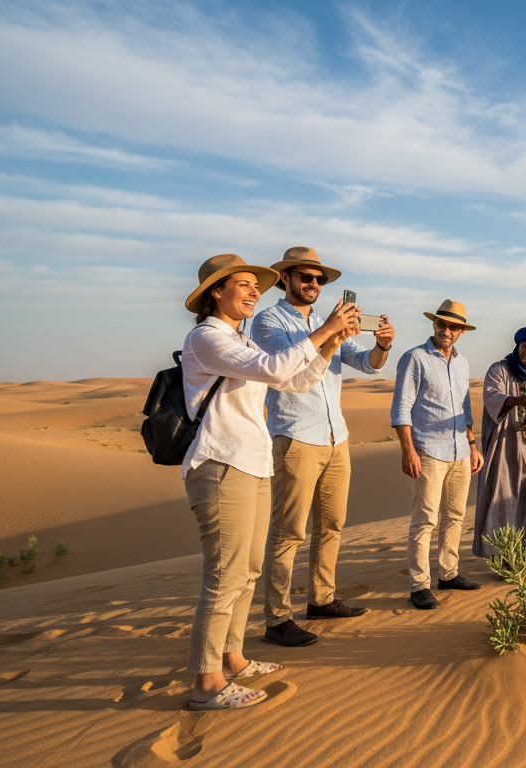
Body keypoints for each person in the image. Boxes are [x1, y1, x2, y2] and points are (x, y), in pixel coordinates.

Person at [180, 253, 357, 710]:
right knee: (224, 575)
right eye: (243, 284)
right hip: (221, 464)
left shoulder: (239, 340)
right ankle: (205, 682)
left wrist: (331, 345)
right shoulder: (207, 338)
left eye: (255, 285)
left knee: (247, 571)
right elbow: (279, 369)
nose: (254, 291)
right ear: (215, 293)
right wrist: (321, 332)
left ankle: (234, 658)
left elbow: (294, 382)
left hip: (254, 464)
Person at [251, 247, 395, 648]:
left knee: (332, 525)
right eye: (306, 277)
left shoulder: (324, 321)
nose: (314, 284)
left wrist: (382, 344)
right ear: (286, 279)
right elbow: (286, 368)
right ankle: (277, 618)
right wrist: (330, 329)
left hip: (336, 437)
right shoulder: (268, 320)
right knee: (288, 531)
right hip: (296, 436)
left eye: (319, 279)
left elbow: (367, 363)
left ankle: (322, 599)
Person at [392, 300, 485, 610]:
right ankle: (419, 586)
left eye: (454, 326)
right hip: (429, 451)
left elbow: (465, 407)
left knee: (455, 517)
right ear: (433, 324)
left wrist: (473, 445)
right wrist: (409, 451)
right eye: (442, 324)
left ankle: (449, 573)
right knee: (425, 520)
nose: (447, 330)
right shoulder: (414, 358)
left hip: (460, 449)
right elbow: (401, 409)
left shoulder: (462, 363)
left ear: (461, 331)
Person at [471, 328, 526, 567]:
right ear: (517, 346)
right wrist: (514, 401)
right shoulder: (498, 370)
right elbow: (491, 397)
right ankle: (503, 557)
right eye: (524, 347)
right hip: (503, 448)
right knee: (503, 503)